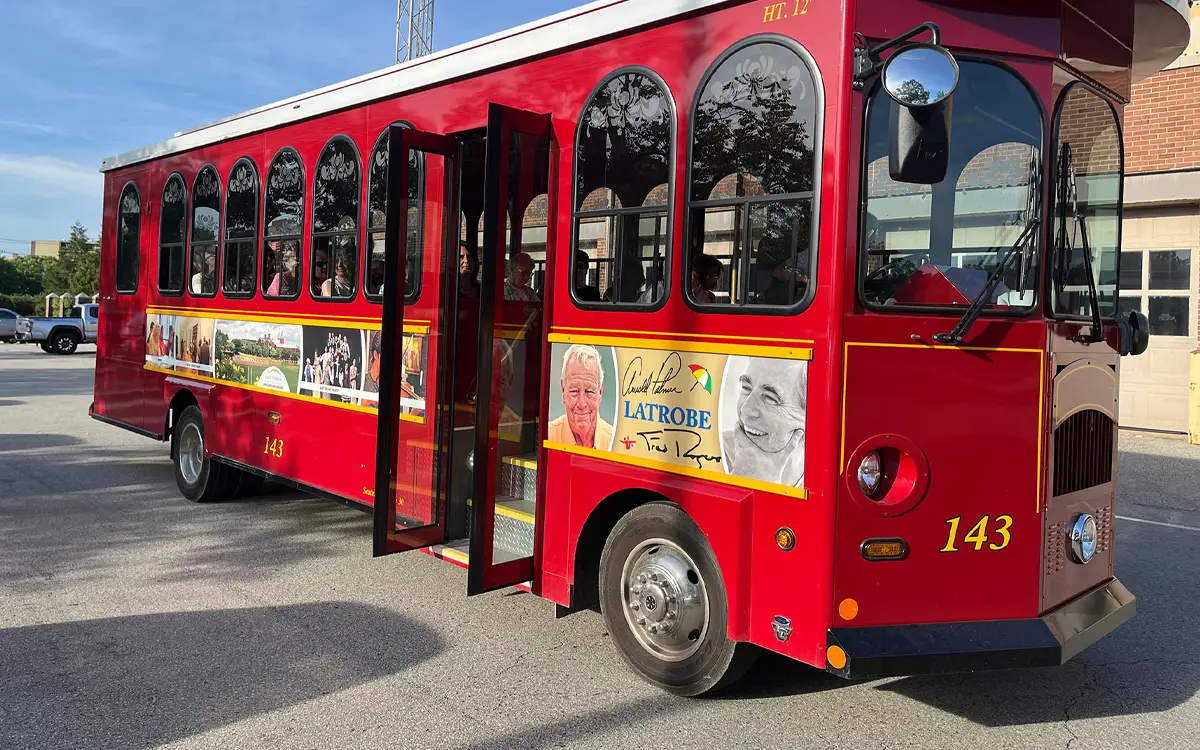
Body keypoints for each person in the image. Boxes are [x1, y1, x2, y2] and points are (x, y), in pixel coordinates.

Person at [722, 357, 806, 487]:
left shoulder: (825, 479)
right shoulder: (713, 451)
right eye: (746, 387)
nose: (746, 409)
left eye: (770, 398)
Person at [547, 344, 613, 450]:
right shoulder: (547, 436)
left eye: (589, 391)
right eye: (574, 391)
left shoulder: (615, 442)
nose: (581, 404)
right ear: (563, 390)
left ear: (600, 392)